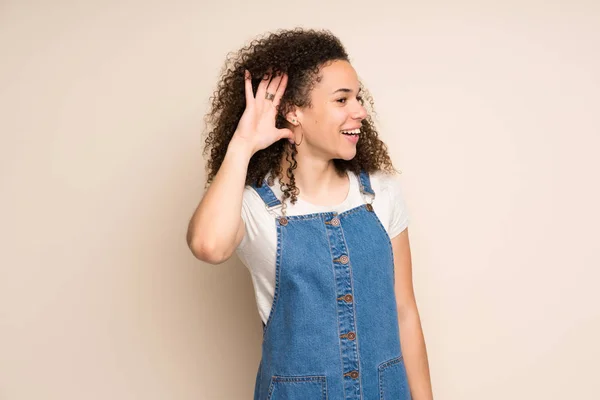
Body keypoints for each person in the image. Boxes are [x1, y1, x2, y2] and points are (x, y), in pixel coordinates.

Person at [187, 28, 433, 400]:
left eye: (358, 97)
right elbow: (207, 245)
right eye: (341, 99)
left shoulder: (380, 194)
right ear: (293, 111)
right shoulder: (257, 209)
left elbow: (404, 312)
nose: (360, 111)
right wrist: (242, 143)